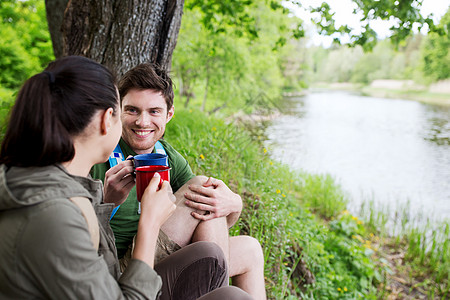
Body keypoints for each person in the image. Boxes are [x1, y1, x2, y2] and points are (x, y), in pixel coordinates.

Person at [0, 56, 252, 300]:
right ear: (105, 120)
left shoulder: (46, 180)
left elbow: (95, 257)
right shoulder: (53, 211)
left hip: (118, 279)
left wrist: (106, 203)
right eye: (125, 112)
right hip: (127, 282)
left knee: (226, 277)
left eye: (154, 111)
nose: (141, 122)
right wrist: (150, 223)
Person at [91, 63, 266, 299]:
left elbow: (214, 220)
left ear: (169, 114)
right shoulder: (99, 153)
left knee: (250, 250)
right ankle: (219, 295)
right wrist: (105, 200)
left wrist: (235, 204)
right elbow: (74, 230)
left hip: (159, 258)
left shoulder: (169, 157)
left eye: (154, 111)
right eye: (132, 110)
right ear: (118, 110)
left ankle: (217, 292)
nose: (143, 122)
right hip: (120, 270)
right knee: (202, 188)